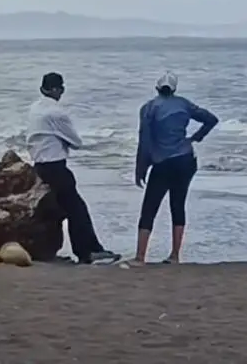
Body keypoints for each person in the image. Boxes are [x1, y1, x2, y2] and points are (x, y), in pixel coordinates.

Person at [26, 72, 121, 264]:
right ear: (57, 89)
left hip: (39, 167)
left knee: (53, 210)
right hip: (56, 167)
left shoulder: (34, 108)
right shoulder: (56, 113)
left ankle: (44, 250)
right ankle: (88, 251)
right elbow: (76, 142)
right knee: (77, 209)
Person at [132, 72, 219, 265]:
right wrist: (196, 137)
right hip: (186, 160)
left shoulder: (149, 108)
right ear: (174, 89)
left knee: (150, 207)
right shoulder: (184, 104)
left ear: (157, 88)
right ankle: (175, 255)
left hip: (162, 163)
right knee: (178, 205)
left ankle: (140, 257)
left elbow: (144, 141)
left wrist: (141, 168)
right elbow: (211, 119)